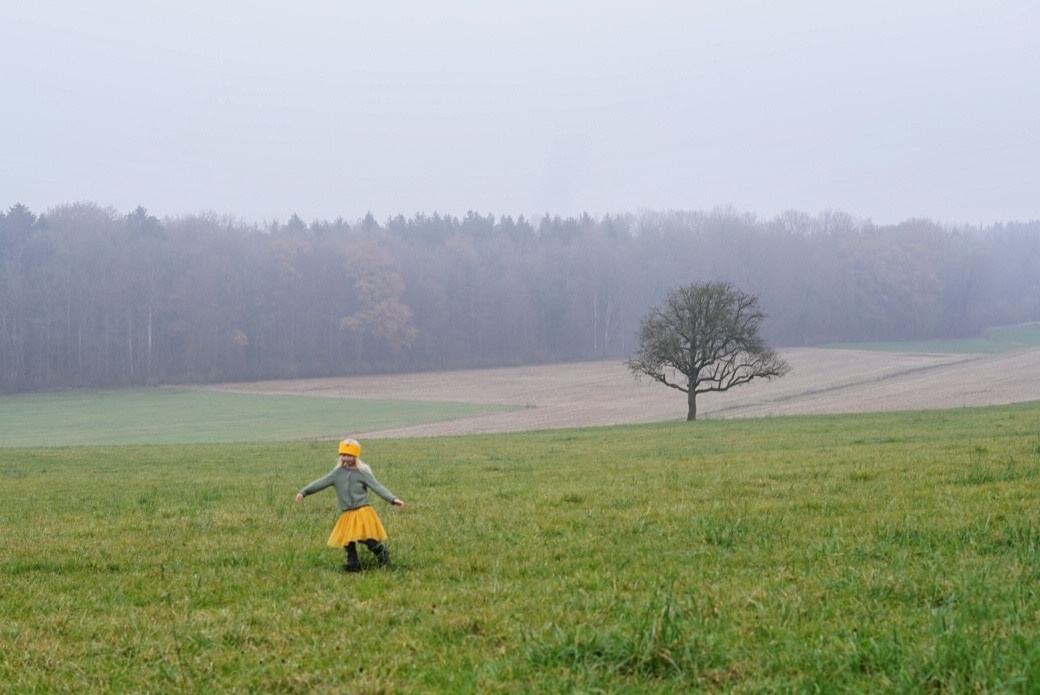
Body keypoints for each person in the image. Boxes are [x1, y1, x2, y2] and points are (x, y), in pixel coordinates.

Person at [294, 438, 405, 572]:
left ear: (355, 456)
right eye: (343, 455)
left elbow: (377, 487)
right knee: (348, 541)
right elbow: (321, 482)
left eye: (349, 455)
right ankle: (353, 565)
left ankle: (382, 553)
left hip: (363, 512)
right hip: (348, 513)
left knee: (368, 539)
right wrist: (304, 492)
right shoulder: (337, 474)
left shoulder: (362, 473)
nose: (346, 458)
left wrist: (393, 499)